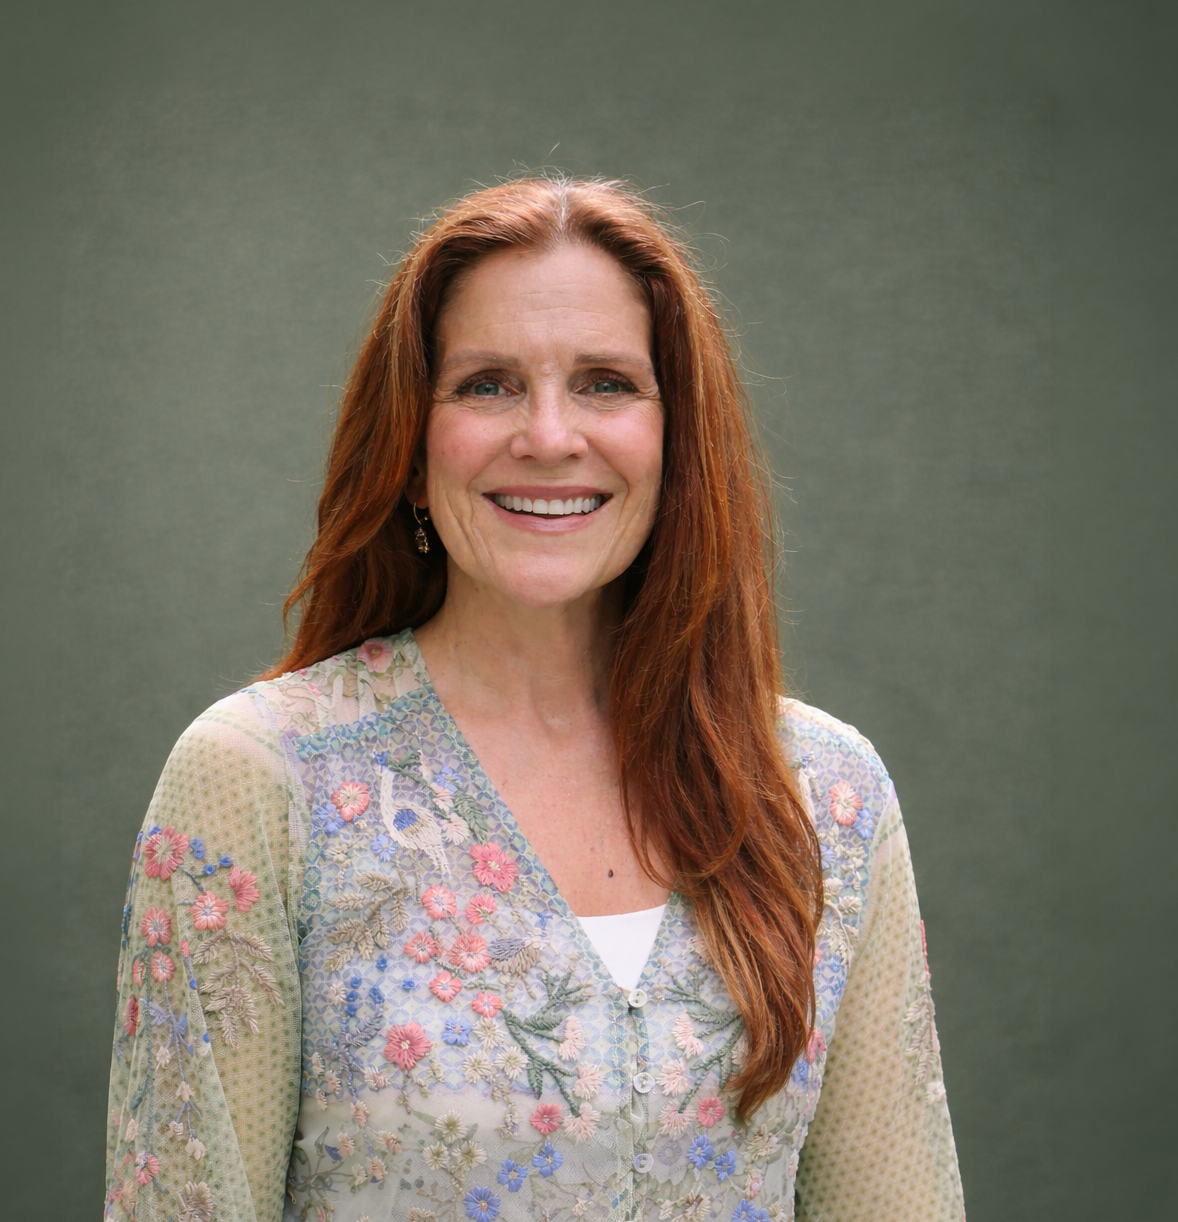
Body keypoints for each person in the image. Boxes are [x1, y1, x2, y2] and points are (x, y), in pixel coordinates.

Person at [104, 176, 964, 1222]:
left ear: (675, 439)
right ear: (412, 451)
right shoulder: (263, 781)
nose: (550, 435)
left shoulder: (824, 796)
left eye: (605, 383)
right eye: (487, 385)